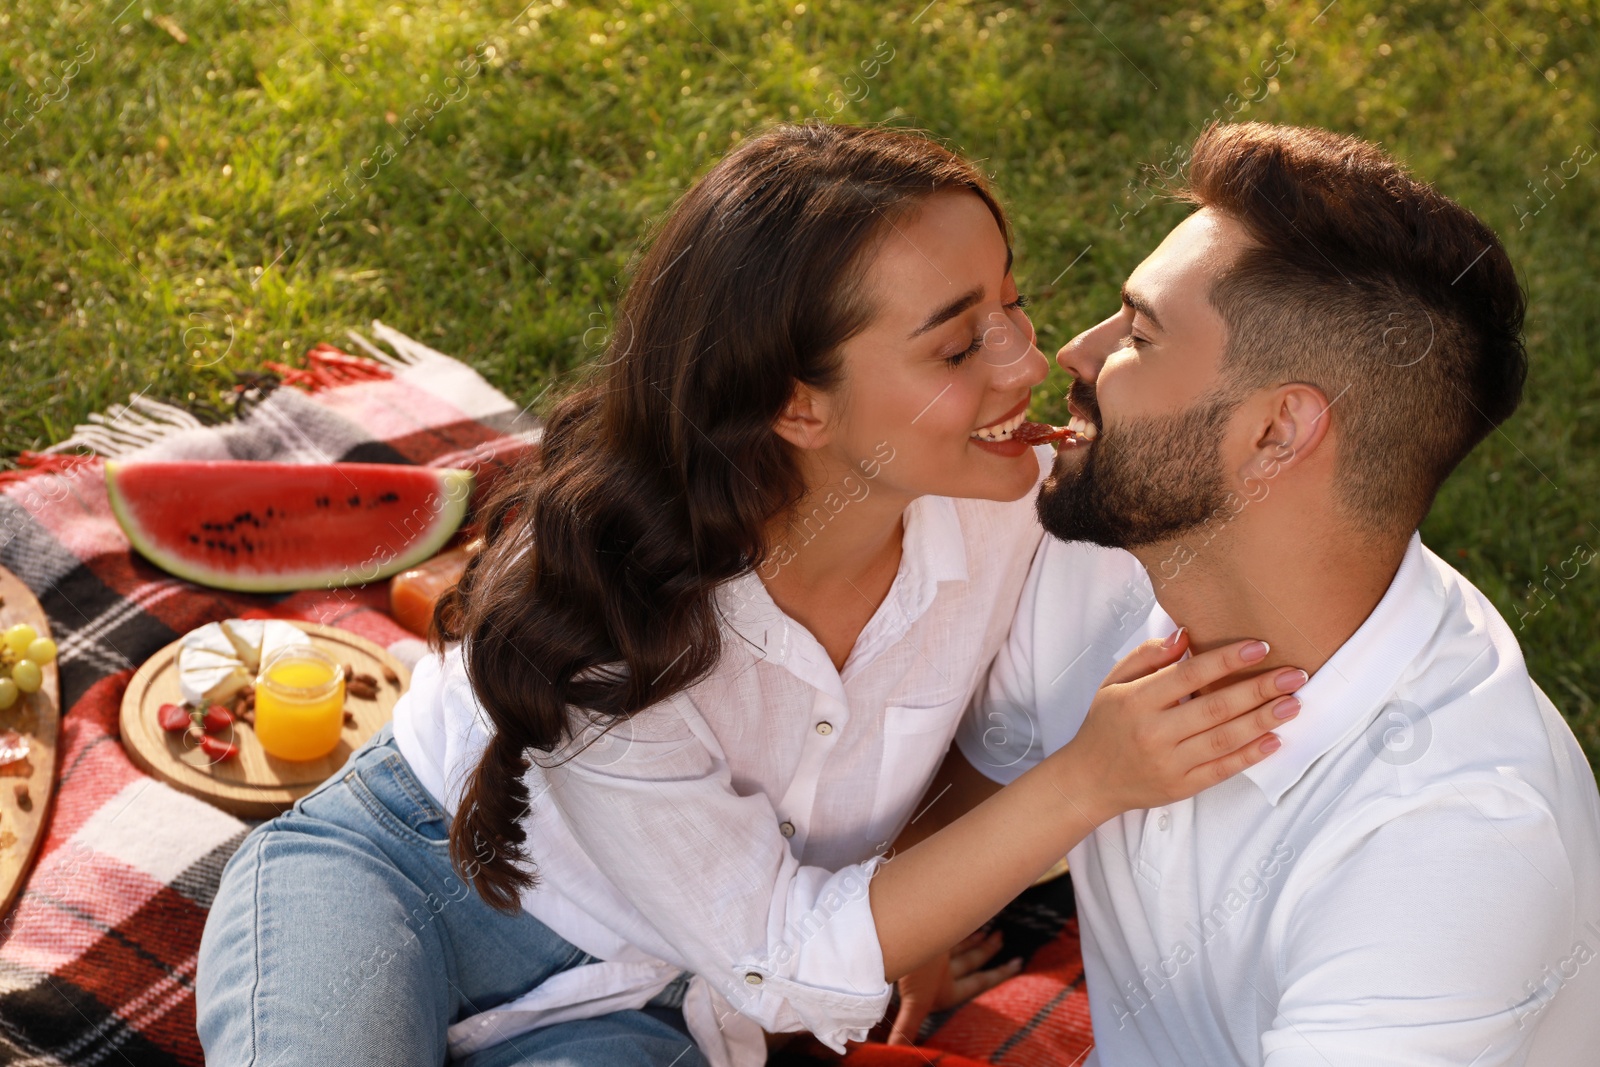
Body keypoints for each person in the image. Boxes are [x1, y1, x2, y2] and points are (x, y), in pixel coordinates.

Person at [195, 123, 1298, 1067]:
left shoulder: (1013, 505)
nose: (1026, 359)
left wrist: (912, 905)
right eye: (958, 342)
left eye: (1013, 302)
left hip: (663, 997)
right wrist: (1086, 785)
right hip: (410, 878)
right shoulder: (615, 615)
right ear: (796, 406)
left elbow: (1006, 728)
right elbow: (784, 956)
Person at [935, 122, 1600, 1065]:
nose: (1070, 354)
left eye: (1140, 333)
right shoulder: (1108, 553)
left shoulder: (1451, 849)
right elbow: (924, 847)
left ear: (1276, 433)